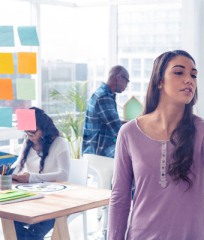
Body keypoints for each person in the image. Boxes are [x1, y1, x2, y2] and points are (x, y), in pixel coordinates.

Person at [107, 50, 204, 240]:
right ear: (159, 81)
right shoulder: (129, 133)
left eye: (193, 75)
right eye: (179, 72)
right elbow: (119, 199)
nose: (189, 80)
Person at [12, 106, 70, 240]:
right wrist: (9, 174)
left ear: (44, 129)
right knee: (12, 221)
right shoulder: (27, 143)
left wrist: (31, 178)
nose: (30, 137)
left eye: (33, 133)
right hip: (32, 198)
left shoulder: (60, 143)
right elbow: (18, 164)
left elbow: (63, 175)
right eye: (27, 133)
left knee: (33, 234)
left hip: (56, 201)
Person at [82, 65, 129, 158]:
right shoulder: (103, 97)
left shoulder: (103, 94)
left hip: (97, 152)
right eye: (126, 81)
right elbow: (118, 129)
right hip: (99, 154)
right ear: (118, 78)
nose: (126, 86)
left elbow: (113, 122)